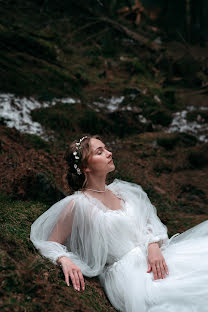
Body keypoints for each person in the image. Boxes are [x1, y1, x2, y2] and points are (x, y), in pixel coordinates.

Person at [30, 134, 208, 312]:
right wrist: (63, 259)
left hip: (156, 256)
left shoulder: (124, 191)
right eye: (100, 152)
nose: (109, 153)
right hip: (130, 275)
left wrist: (153, 244)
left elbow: (150, 221)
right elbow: (50, 242)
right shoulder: (78, 204)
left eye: (106, 149)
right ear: (85, 167)